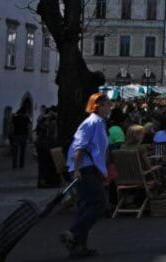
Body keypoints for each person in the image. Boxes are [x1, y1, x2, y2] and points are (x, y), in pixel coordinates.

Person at [61, 93, 112, 258]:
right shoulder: (91, 123)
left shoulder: (99, 122)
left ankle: (79, 246)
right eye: (107, 104)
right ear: (98, 106)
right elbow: (79, 146)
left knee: (87, 206)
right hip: (84, 168)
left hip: (90, 168)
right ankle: (72, 232)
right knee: (99, 203)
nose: (110, 107)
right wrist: (76, 169)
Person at [9, 99, 33, 170]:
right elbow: (29, 127)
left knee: (15, 151)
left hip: (16, 135)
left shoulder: (15, 117)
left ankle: (14, 165)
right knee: (22, 151)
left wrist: (11, 134)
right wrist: (29, 135)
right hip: (23, 135)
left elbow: (11, 126)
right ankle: (21, 165)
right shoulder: (26, 118)